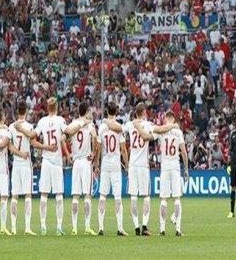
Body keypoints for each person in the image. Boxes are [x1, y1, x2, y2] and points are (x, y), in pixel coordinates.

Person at [15, 97, 86, 235]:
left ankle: (43, 226)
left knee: (44, 195)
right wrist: (82, 123)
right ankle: (59, 227)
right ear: (57, 107)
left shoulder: (42, 121)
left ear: (48, 107)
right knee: (59, 195)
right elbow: (70, 132)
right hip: (57, 161)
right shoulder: (60, 121)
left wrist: (21, 128)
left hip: (46, 161)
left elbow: (32, 138)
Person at [110, 103, 176, 236]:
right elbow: (161, 129)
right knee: (146, 196)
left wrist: (107, 121)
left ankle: (136, 227)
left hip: (133, 165)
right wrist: (172, 125)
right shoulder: (148, 125)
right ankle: (145, 226)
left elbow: (117, 128)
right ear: (144, 112)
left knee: (133, 197)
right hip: (144, 165)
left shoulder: (130, 124)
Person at [135, 111, 189, 236]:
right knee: (177, 199)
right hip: (175, 167)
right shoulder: (178, 132)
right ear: (174, 119)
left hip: (164, 167)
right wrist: (186, 169)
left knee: (164, 200)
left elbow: (148, 138)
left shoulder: (161, 132)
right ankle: (178, 230)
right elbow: (184, 152)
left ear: (166, 119)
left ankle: (162, 229)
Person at [9, 100, 57, 235]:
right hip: (26, 164)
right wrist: (47, 148)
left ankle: (13, 228)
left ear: (17, 110)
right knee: (28, 196)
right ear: (26, 111)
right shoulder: (30, 127)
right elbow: (34, 143)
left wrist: (18, 154)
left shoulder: (11, 126)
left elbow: (9, 145)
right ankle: (27, 227)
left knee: (14, 196)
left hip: (16, 163)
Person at [0, 107, 28, 235]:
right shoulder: (6, 131)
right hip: (3, 169)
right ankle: (3, 227)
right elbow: (8, 146)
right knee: (4, 197)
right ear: (2, 117)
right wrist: (21, 154)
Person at [96, 102, 129, 236]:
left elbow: (98, 147)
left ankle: (100, 227)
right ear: (116, 112)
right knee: (117, 197)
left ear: (107, 112)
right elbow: (123, 149)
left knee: (102, 196)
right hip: (115, 165)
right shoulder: (118, 128)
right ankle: (120, 228)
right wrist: (127, 166)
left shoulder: (102, 127)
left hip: (105, 164)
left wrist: (96, 164)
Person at [68, 101, 99, 236]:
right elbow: (96, 139)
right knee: (87, 196)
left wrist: (68, 152)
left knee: (75, 196)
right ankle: (87, 227)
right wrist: (93, 153)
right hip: (86, 162)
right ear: (86, 111)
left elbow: (64, 136)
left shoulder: (74, 124)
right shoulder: (90, 124)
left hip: (76, 162)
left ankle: (74, 227)